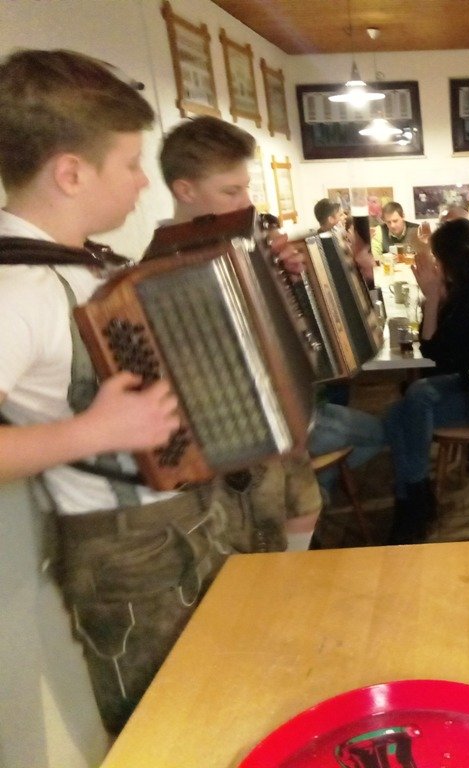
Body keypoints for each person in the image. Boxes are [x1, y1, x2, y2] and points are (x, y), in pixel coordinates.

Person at [0, 48, 240, 735]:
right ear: (71, 173)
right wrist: (89, 433)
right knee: (173, 734)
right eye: (131, 164)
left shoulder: (84, 267)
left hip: (181, 527)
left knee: (223, 713)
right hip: (130, 560)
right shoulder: (16, 291)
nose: (143, 183)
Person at [159, 116, 385, 536]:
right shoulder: (161, 269)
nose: (246, 202)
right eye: (231, 191)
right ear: (184, 190)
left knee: (305, 510)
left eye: (247, 187)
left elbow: (280, 330)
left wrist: (289, 280)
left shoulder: (242, 245)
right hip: (237, 440)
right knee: (263, 540)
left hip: (286, 421)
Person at [383, 218, 469, 543]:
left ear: (449, 259)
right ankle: (412, 497)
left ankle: (415, 499)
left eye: (436, 257)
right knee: (399, 412)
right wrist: (434, 295)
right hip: (465, 385)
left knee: (416, 396)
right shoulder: (466, 289)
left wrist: (432, 296)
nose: (433, 264)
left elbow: (433, 363)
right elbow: (434, 353)